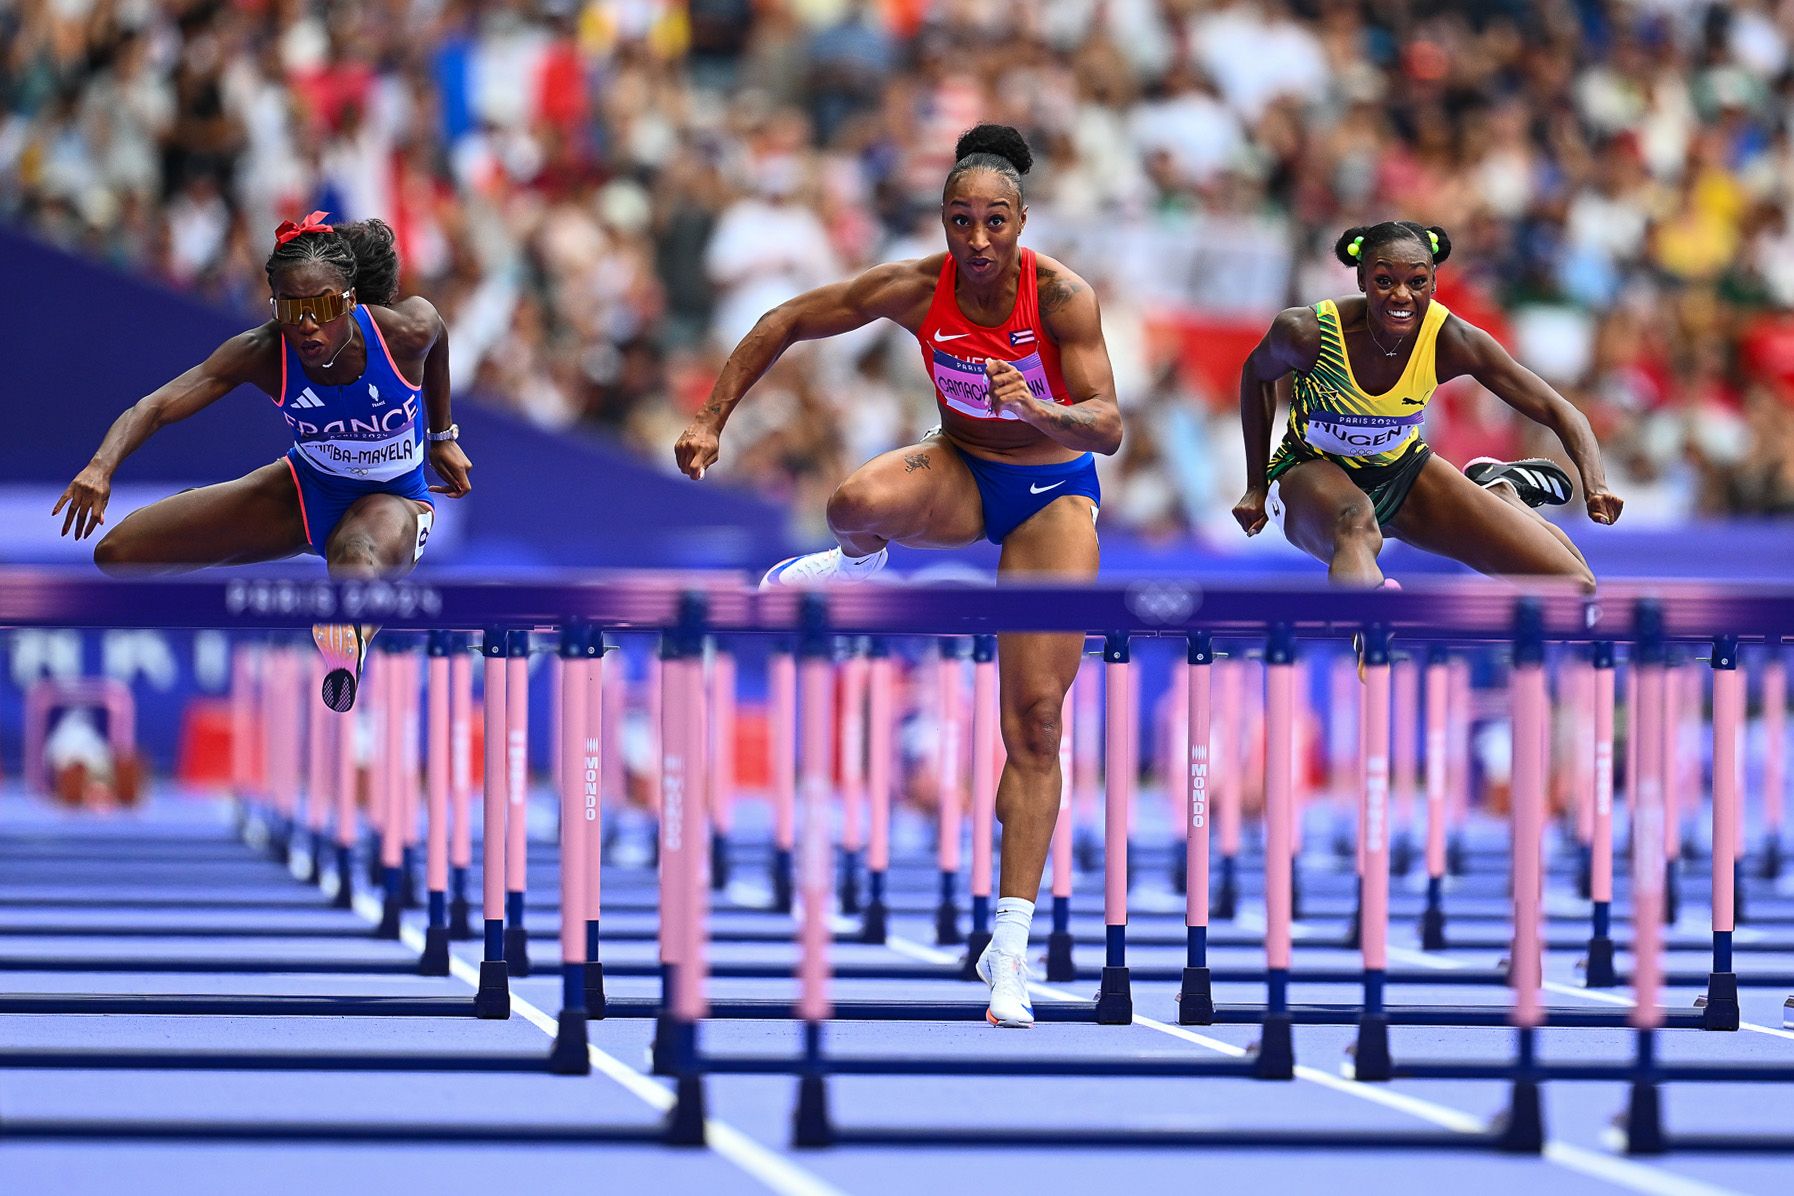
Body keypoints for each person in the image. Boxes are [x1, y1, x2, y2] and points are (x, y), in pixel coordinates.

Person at [675, 124, 1123, 1027]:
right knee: (850, 499)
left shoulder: (1064, 298)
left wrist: (1037, 405)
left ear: (1023, 221)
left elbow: (1109, 426)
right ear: (944, 224)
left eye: (997, 221)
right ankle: (856, 566)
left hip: (1051, 495)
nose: (980, 239)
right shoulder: (918, 289)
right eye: (963, 221)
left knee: (1034, 722)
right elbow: (786, 320)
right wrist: (711, 419)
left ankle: (1010, 946)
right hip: (959, 469)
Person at [54, 212, 472, 711]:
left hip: (394, 502)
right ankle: (318, 594)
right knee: (119, 553)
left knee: (357, 549)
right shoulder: (262, 351)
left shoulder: (404, 331)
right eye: (292, 311)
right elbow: (156, 406)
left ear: (350, 300)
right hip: (304, 491)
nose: (308, 326)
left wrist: (442, 434)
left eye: (322, 307)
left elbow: (439, 335)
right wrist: (100, 467)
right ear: (275, 309)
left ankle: (346, 643)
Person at [1233, 220, 1622, 587]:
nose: (1401, 295)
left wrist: (1596, 483)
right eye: (1385, 281)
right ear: (1362, 279)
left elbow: (1559, 409)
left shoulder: (1450, 340)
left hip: (1402, 473)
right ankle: (1374, 637)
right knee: (1354, 522)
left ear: (1433, 283)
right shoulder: (1307, 332)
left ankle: (1498, 492)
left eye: (1416, 282)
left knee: (1575, 586)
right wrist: (1255, 485)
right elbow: (1256, 375)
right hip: (1308, 472)